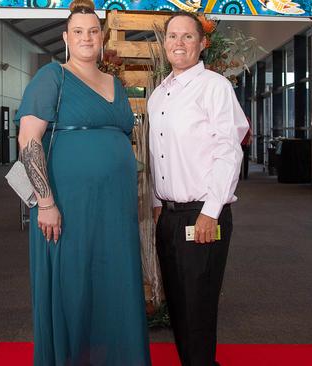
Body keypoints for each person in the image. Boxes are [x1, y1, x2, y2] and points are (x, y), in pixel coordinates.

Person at [15, 0, 150, 364]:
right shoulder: (52, 77)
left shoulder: (115, 83)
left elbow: (124, 139)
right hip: (68, 201)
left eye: (93, 31)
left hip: (115, 205)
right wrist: (45, 202)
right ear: (66, 37)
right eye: (78, 31)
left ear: (101, 36)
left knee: (112, 280)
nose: (86, 37)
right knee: (72, 281)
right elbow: (29, 140)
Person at [147, 13, 249, 366]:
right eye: (173, 36)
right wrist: (159, 202)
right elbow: (159, 152)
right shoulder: (159, 95)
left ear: (202, 42)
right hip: (170, 215)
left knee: (199, 305)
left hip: (203, 214)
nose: (179, 43)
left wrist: (211, 211)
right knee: (178, 303)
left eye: (187, 36)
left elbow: (228, 150)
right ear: (165, 42)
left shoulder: (214, 87)